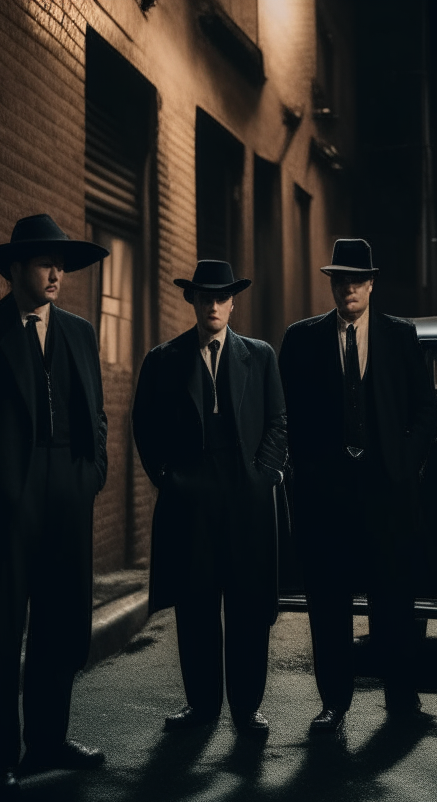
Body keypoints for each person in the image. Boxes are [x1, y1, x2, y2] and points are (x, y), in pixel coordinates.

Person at [0, 214, 109, 795]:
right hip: (7, 493)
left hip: (69, 487)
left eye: (61, 263)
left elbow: (98, 417)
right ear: (16, 270)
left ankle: (48, 739)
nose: (57, 272)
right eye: (45, 262)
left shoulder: (82, 333)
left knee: (62, 620)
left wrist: (92, 474)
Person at [278, 238, 437, 733]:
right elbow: (284, 416)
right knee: (329, 605)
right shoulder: (302, 339)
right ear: (331, 284)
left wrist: (403, 464)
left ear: (371, 284)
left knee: (393, 600)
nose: (348, 287)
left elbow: (426, 411)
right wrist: (303, 474)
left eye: (357, 279)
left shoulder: (400, 335)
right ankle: (334, 703)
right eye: (340, 279)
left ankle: (401, 697)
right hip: (325, 498)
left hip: (386, 493)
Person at [131, 260, 287, 735]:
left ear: (233, 302)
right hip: (191, 503)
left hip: (246, 500)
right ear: (193, 302)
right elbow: (144, 424)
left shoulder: (259, 356)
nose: (214, 305)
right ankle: (201, 708)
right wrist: (167, 477)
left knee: (248, 608)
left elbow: (279, 423)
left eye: (222, 297)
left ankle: (246, 708)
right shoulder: (164, 358)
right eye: (205, 297)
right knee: (196, 607)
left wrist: (262, 477)